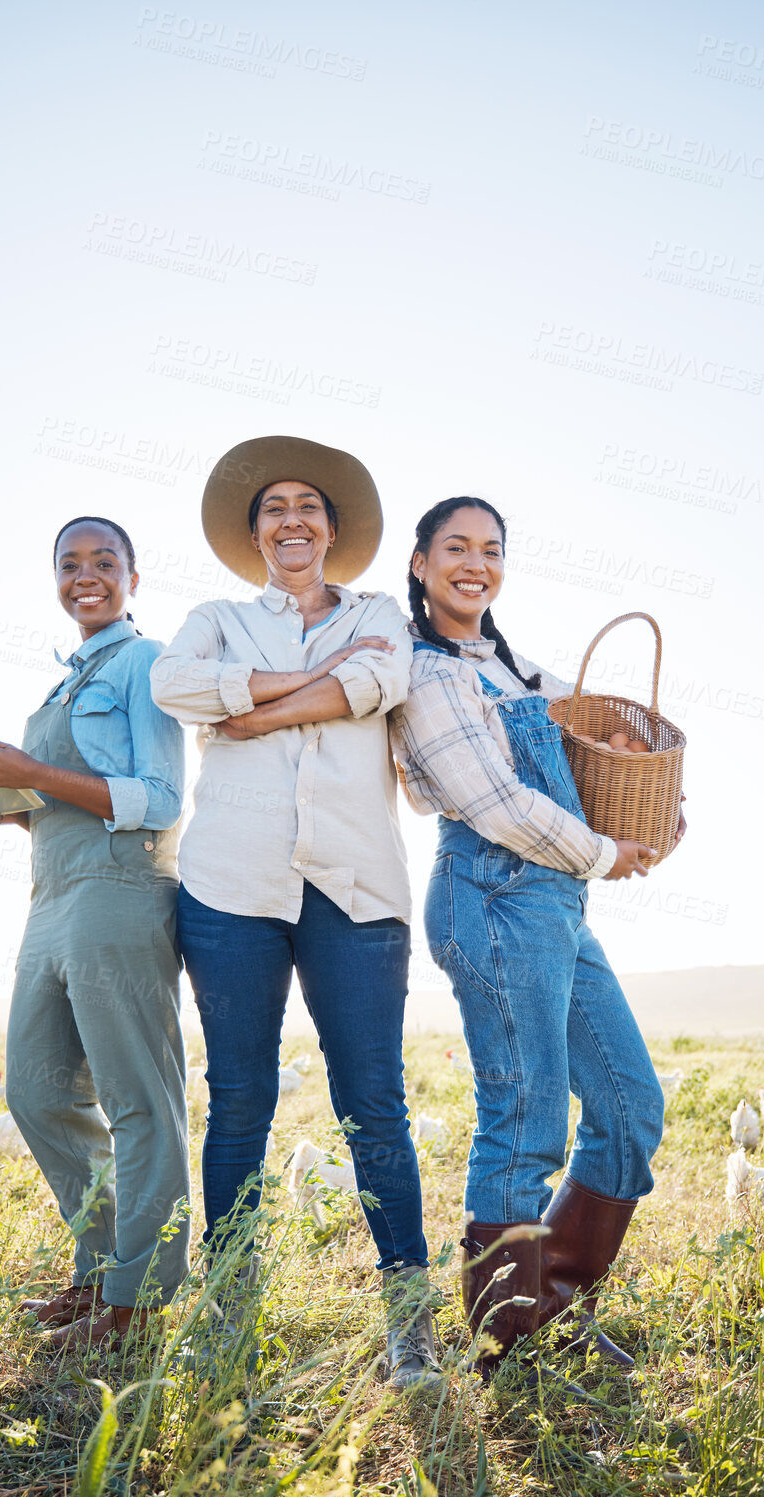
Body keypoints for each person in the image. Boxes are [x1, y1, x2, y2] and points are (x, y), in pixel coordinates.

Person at [150, 435, 438, 1392]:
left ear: (332, 527)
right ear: (254, 531)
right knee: (238, 1103)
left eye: (308, 505)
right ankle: (229, 1312)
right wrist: (295, 687)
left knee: (373, 1106)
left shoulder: (378, 614)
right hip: (232, 888)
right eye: (273, 507)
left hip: (356, 890)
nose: (292, 520)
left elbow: (379, 680)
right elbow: (172, 685)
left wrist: (257, 714)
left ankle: (410, 1327)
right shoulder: (217, 616)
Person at [391, 496, 683, 1378]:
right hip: (490, 894)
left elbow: (596, 726)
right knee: (523, 1122)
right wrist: (604, 851)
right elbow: (497, 805)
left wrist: (651, 784)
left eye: (490, 549)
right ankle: (504, 1345)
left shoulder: (515, 669)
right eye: (455, 548)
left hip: (552, 903)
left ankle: (549, 1306)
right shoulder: (427, 672)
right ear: (419, 563)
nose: (473, 563)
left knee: (630, 1108)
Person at [0, 515, 189, 1349]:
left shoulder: (146, 663)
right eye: (69, 563)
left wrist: (37, 773)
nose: (85, 574)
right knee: (37, 1088)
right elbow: (71, 804)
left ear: (133, 576)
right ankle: (99, 1271)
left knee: (137, 1100)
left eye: (104, 561)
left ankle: (137, 1300)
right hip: (50, 892)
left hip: (120, 891)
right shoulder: (57, 687)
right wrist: (13, 807)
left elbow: (160, 798)